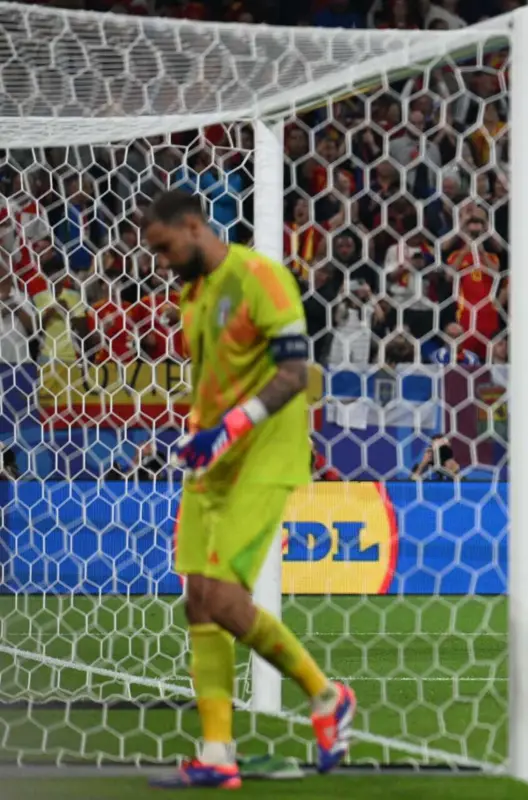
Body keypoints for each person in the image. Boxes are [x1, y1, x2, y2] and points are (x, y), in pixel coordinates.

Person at [140, 190, 354, 789]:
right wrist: (195, 437)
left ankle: (325, 696)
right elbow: (215, 381)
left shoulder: (263, 277)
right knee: (197, 601)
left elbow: (294, 373)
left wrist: (229, 428)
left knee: (226, 599)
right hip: (211, 463)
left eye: (164, 247)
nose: (161, 261)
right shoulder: (193, 294)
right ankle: (217, 753)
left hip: (262, 456)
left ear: (192, 225)